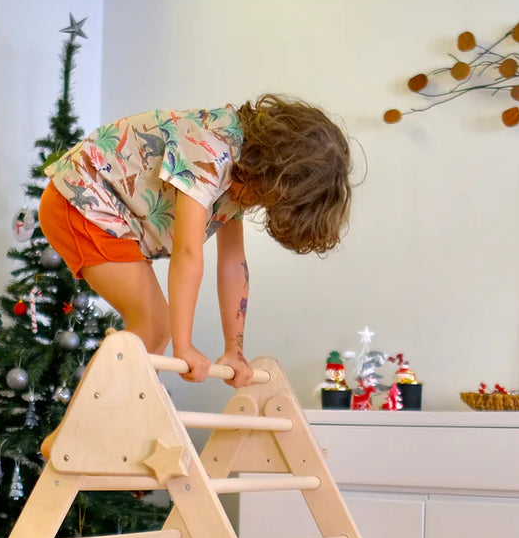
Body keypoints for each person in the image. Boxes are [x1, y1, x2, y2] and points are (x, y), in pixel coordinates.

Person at [38, 95, 352, 392]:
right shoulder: (212, 151)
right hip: (80, 199)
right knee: (154, 326)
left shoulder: (248, 175)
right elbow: (188, 253)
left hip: (112, 217)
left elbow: (233, 263)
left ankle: (110, 426)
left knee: (152, 331)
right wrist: (184, 345)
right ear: (276, 168)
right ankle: (82, 432)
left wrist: (235, 350)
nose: (259, 203)